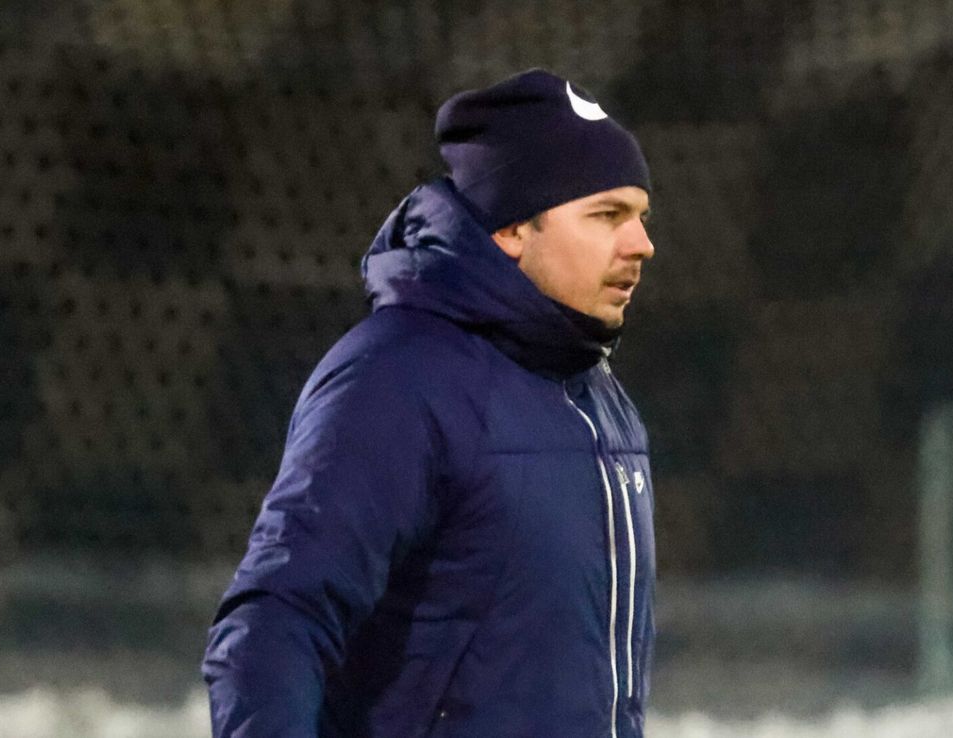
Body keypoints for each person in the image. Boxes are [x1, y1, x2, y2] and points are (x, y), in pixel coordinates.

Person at [202, 68, 657, 738]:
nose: (641, 244)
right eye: (607, 215)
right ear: (511, 229)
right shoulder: (395, 379)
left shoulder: (601, 400)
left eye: (642, 216)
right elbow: (277, 621)